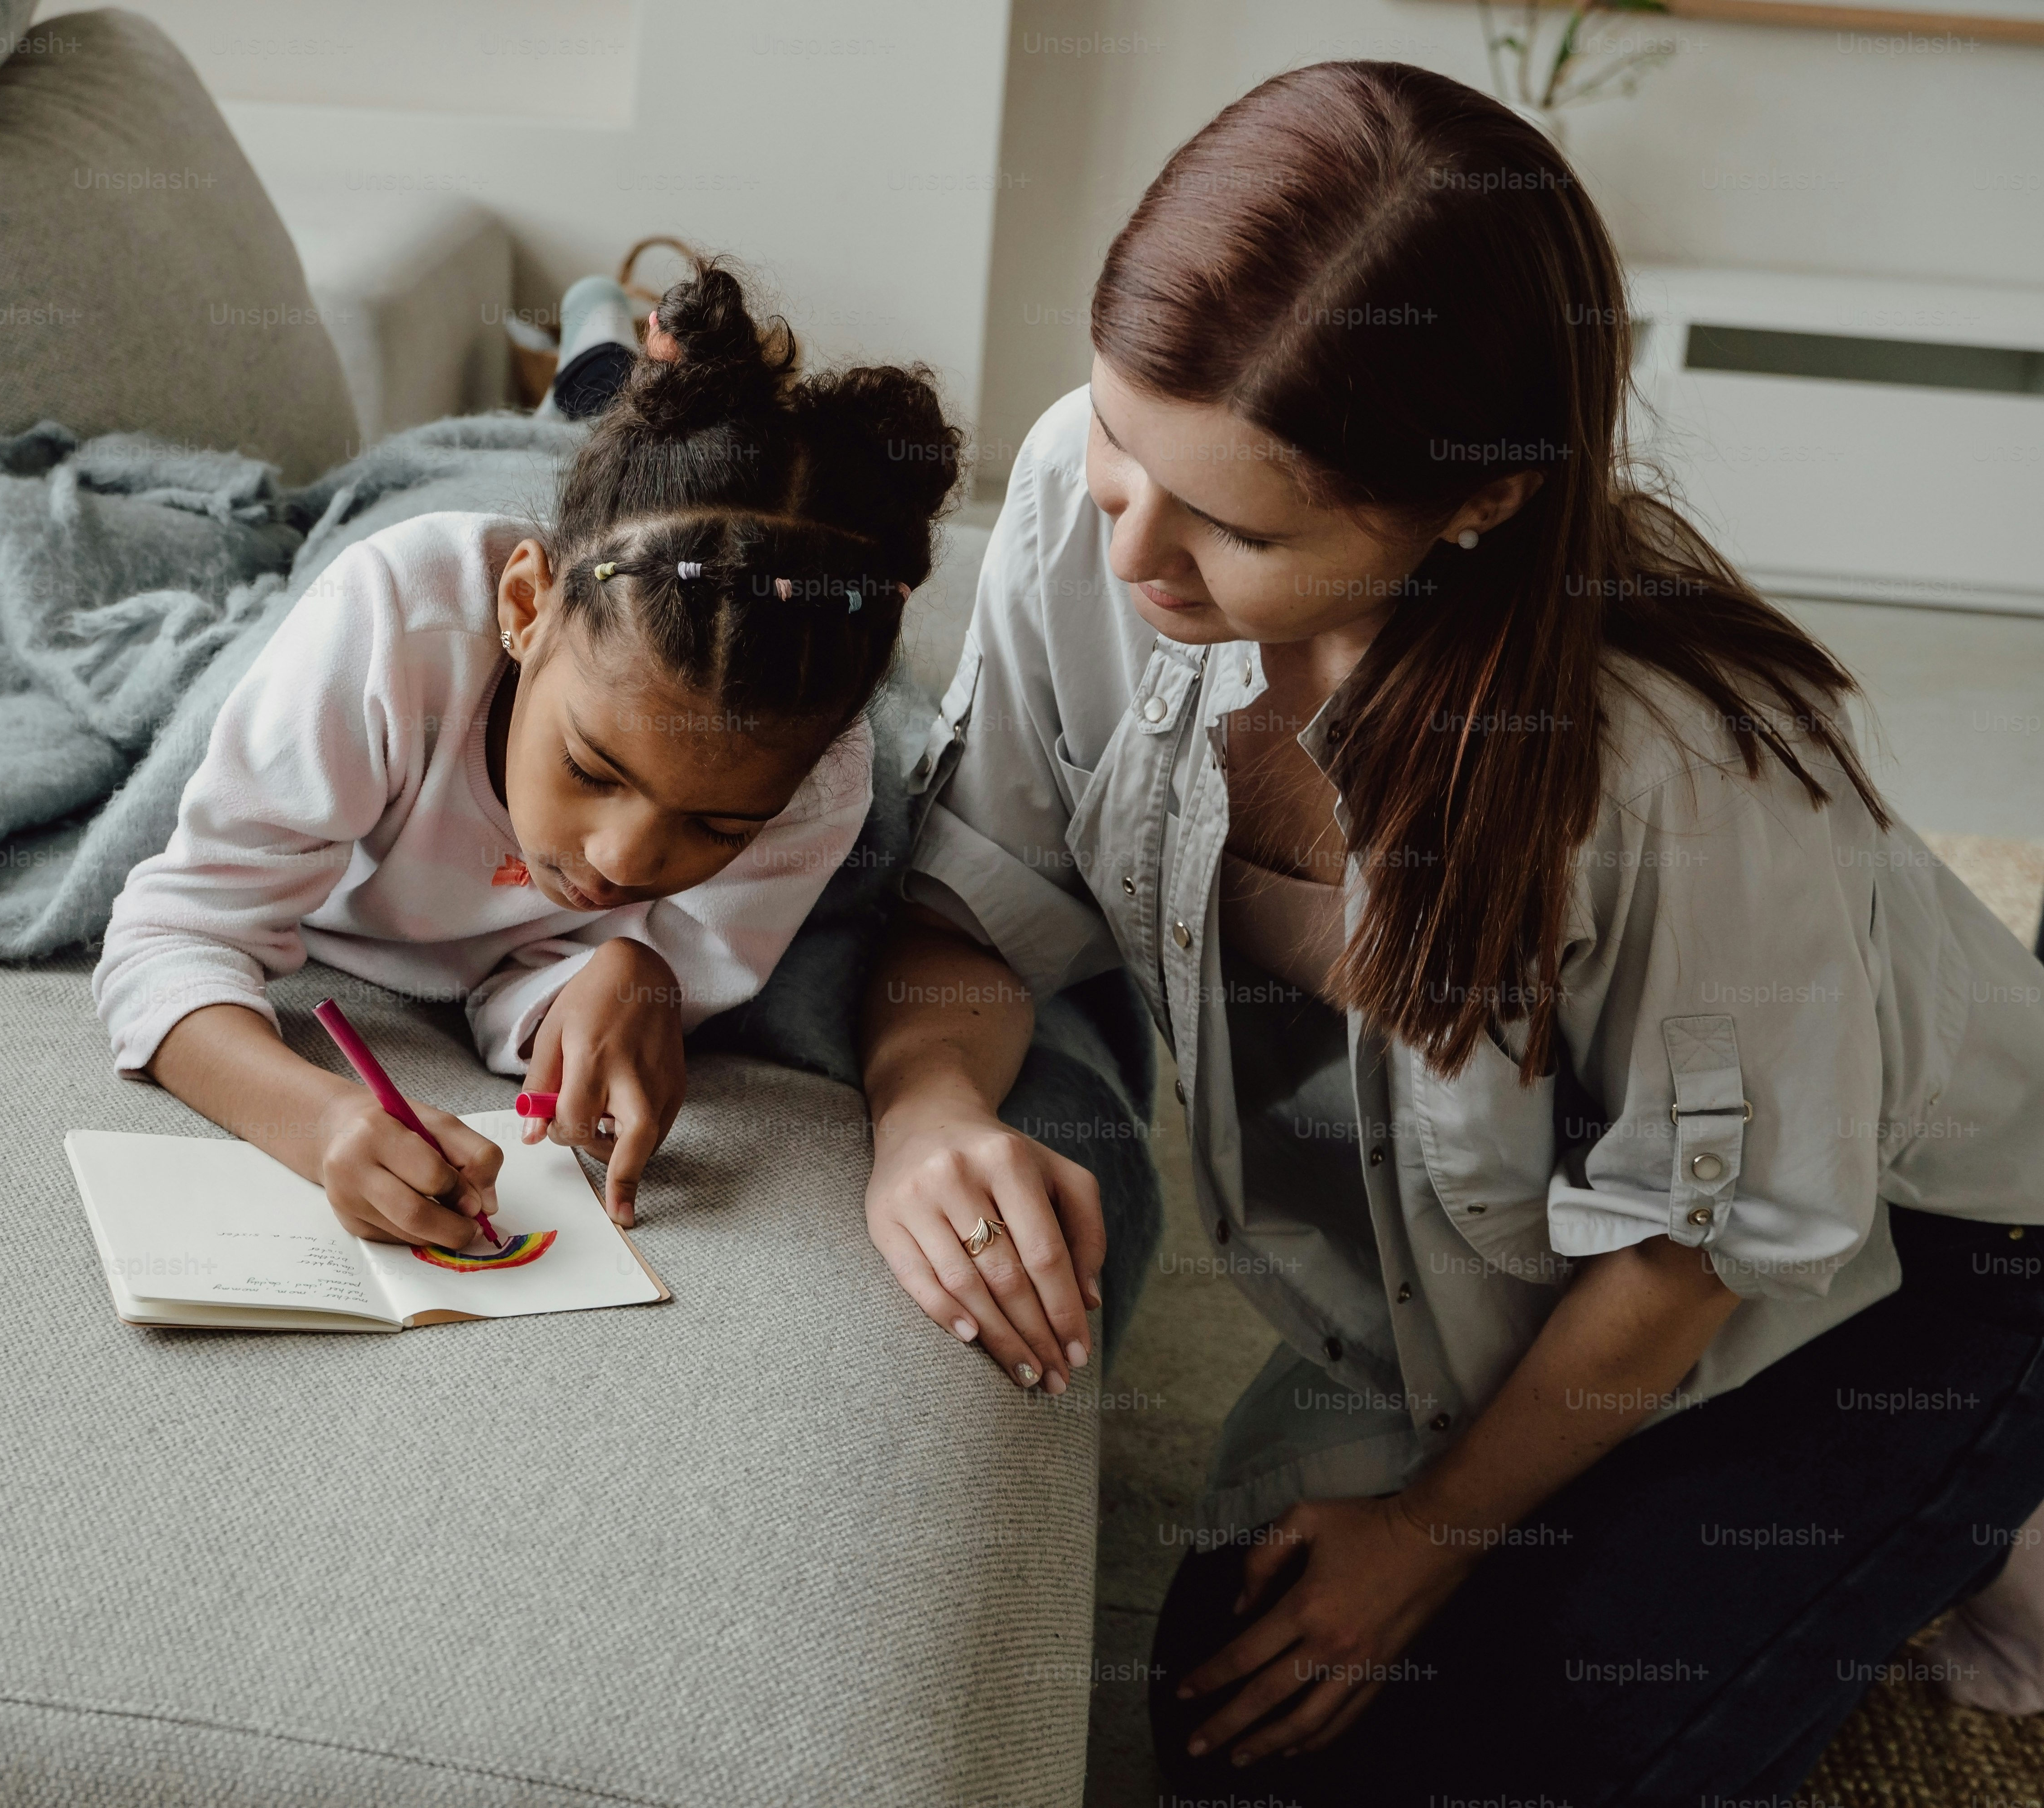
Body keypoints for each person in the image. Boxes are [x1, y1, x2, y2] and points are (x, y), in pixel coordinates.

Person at [854, 60, 2044, 1799]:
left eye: (1238, 528)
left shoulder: (1689, 770)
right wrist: (926, 1110)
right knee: (1225, 1716)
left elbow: (1707, 1244)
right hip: (1501, 1278)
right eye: (1116, 439)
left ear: (1473, 502)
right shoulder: (1084, 492)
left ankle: (1981, 1499)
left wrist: (1429, 1533)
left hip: (1887, 1272)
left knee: (1514, 1755)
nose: (1132, 553)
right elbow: (975, 896)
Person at [97, 261, 961, 1244]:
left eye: (721, 826)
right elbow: (169, 934)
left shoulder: (818, 779)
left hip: (601, 545)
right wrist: (320, 1120)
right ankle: (595, 335)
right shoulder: (391, 622)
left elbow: (530, 980)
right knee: (563, 422)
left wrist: (634, 972)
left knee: (582, 428)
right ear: (522, 607)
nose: (626, 862)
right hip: (462, 518)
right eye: (593, 770)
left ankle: (593, 352)